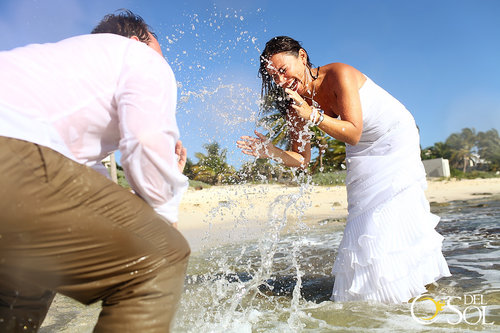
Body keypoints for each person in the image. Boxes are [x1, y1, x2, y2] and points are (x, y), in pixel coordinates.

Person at [0, 10, 190, 332]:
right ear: (137, 40)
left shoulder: (57, 71)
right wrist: (164, 210)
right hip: (11, 150)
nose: (164, 57)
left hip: (18, 163)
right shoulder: (140, 57)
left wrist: (148, 191)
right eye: (159, 46)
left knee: (34, 276)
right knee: (162, 256)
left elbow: (79, 196)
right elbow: (145, 138)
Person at [237, 36, 451, 304]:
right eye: (273, 75)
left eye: (283, 70)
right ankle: (374, 298)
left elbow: (352, 133)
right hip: (362, 147)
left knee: (392, 209)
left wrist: (312, 115)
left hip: (394, 136)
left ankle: (413, 286)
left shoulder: (339, 73)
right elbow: (301, 159)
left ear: (302, 57)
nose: (280, 81)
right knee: (363, 215)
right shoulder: (295, 104)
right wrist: (271, 151)